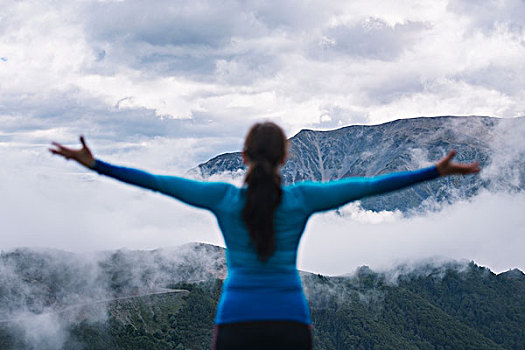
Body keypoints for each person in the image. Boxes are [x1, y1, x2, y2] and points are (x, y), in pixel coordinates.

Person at [50, 122, 480, 349]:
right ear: (285, 158)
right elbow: (369, 187)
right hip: (291, 321)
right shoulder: (303, 199)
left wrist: (97, 165)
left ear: (243, 156)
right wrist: (433, 171)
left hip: (236, 321)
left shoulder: (222, 199)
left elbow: (158, 182)